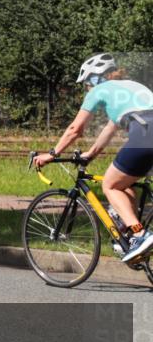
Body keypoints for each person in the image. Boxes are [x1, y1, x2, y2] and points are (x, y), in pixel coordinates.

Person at [34, 53, 153, 263]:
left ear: (94, 78)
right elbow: (109, 129)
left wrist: (52, 154)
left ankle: (139, 235)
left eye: (86, 84)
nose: (87, 89)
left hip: (146, 134)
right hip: (147, 132)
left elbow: (75, 129)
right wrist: (89, 155)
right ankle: (131, 232)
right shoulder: (130, 87)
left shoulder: (99, 89)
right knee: (125, 185)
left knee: (110, 185)